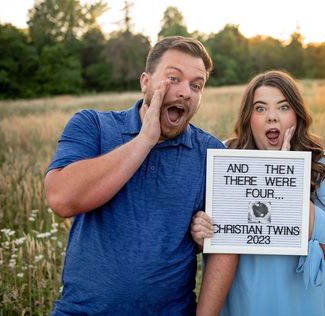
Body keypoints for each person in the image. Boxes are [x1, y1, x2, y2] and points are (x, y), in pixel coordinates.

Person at [44, 36, 236, 315]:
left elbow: (225, 246)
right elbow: (62, 199)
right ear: (145, 81)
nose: (185, 92)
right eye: (174, 78)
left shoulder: (212, 153)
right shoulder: (92, 125)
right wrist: (144, 140)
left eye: (197, 85)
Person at [192, 70, 325, 315]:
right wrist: (201, 231)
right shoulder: (225, 159)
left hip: (300, 302)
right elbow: (203, 234)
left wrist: (286, 175)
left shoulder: (322, 164)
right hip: (241, 298)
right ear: (248, 118)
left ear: (296, 114)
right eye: (261, 108)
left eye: (283, 107)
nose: (272, 117)